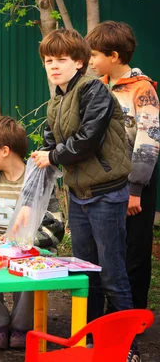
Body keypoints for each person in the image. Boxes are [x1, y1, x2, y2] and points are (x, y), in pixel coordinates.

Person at [31, 28, 140, 361]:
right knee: (85, 271)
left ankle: (127, 347)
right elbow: (52, 141)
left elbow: (87, 140)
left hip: (107, 194)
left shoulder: (95, 90)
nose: (53, 66)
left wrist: (52, 155)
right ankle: (91, 340)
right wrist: (41, 157)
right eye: (49, 60)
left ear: (79, 61)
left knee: (112, 272)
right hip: (78, 194)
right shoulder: (58, 98)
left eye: (61, 59)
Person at [0, 116, 65, 349]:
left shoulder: (38, 181)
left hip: (27, 250)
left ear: (5, 150)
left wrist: (26, 242)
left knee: (30, 266)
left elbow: (56, 226)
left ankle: (22, 327)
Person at [86, 21, 159, 311]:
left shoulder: (143, 90)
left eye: (94, 55)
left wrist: (135, 188)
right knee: (105, 249)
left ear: (113, 56)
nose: (90, 61)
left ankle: (135, 315)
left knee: (135, 249)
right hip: (104, 181)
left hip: (135, 184)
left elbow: (148, 140)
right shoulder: (97, 87)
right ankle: (106, 313)